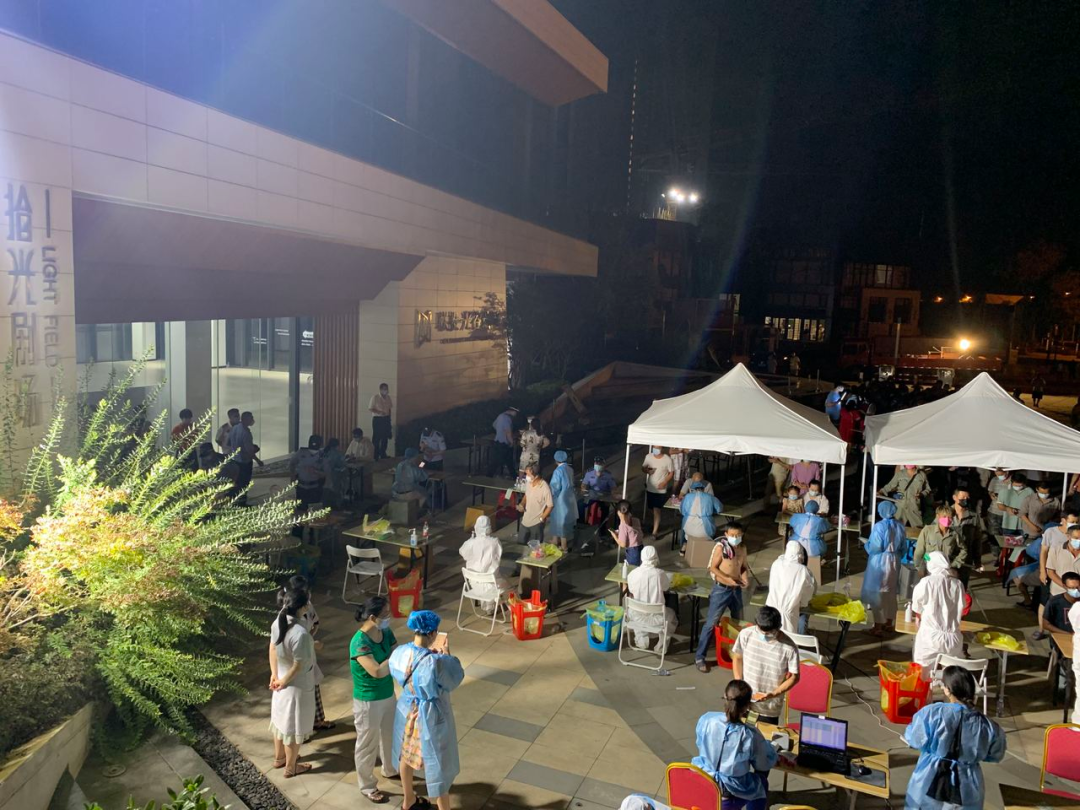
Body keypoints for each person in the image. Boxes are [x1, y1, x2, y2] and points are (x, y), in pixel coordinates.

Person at [389, 610, 465, 810]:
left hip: (407, 710)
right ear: (432, 633)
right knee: (438, 765)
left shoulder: (400, 652)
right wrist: (446, 656)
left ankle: (408, 799)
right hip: (429, 716)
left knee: (406, 755)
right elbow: (454, 677)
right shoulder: (436, 662)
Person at [903, 666, 1006, 810]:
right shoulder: (988, 725)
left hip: (928, 777)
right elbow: (995, 754)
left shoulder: (932, 713)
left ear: (947, 689)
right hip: (967, 784)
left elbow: (915, 738)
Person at [690, 679, 778, 810]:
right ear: (748, 706)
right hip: (729, 792)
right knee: (761, 782)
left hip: (703, 780)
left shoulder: (707, 720)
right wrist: (772, 748)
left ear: (724, 696)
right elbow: (763, 764)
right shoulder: (750, 734)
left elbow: (700, 743)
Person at [351, 596, 398, 803]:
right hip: (367, 701)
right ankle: (367, 785)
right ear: (372, 617)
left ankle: (390, 768)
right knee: (367, 743)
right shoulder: (359, 642)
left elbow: (396, 651)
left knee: (390, 734)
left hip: (388, 694)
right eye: (385, 614)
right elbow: (376, 671)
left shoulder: (385, 632)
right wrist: (394, 659)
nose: (389, 617)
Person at [269, 585, 316, 778]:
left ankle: (279, 758)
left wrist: (275, 675)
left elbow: (272, 648)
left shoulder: (278, 622)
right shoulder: (300, 633)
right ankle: (291, 767)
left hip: (280, 680)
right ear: (303, 607)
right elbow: (299, 664)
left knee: (280, 722)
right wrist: (283, 681)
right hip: (296, 686)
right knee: (293, 727)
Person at [695, 523, 751, 672]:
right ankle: (700, 657)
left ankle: (737, 654)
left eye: (738, 535)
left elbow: (743, 567)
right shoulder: (721, 548)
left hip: (736, 589)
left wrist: (745, 578)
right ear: (726, 535)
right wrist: (727, 580)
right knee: (711, 623)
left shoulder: (742, 548)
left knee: (738, 622)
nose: (735, 538)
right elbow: (712, 568)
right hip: (722, 589)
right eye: (732, 535)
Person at [731, 607, 800, 724]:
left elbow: (794, 677)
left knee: (764, 734)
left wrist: (773, 694)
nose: (764, 635)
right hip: (744, 701)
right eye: (760, 630)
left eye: (768, 633)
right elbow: (737, 658)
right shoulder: (746, 634)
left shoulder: (789, 647)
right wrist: (739, 683)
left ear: (778, 627)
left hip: (769, 708)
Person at [910, 551, 966, 674]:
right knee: (951, 676)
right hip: (953, 638)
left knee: (922, 673)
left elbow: (917, 607)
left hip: (930, 636)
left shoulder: (926, 582)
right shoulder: (958, 584)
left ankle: (927, 686)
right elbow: (963, 606)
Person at [861, 500, 906, 635]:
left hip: (880, 560)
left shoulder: (879, 526)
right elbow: (903, 547)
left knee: (877, 592)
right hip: (894, 560)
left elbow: (875, 546)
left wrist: (867, 545)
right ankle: (889, 622)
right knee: (891, 593)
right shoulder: (900, 526)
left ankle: (878, 626)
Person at [626, 545, 677, 650]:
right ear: (655, 557)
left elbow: (631, 590)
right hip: (657, 618)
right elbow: (666, 587)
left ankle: (642, 640)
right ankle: (661, 647)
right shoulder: (659, 574)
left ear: (642, 557)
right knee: (672, 615)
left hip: (637, 616)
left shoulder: (633, 574)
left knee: (637, 610)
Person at [459, 514, 508, 611]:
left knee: (495, 581)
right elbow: (497, 558)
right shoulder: (495, 542)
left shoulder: (470, 543)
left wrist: (471, 541)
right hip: (491, 582)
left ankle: (488, 605)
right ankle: (493, 606)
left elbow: (462, 552)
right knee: (509, 587)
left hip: (473, 583)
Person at [766, 540, 816, 635]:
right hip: (789, 612)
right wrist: (803, 603)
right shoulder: (803, 570)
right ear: (800, 555)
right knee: (786, 638)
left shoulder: (776, 563)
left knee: (769, 635)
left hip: (771, 608)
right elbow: (808, 592)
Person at [913, 505, 967, 577]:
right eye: (944, 517)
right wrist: (919, 567)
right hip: (928, 568)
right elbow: (919, 552)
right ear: (938, 516)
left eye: (950, 517)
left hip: (944, 570)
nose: (947, 520)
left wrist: (955, 564)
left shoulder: (954, 535)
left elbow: (964, 550)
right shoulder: (928, 530)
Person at [878, 464, 931, 528]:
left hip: (914, 505)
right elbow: (890, 485)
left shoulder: (922, 475)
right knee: (896, 527)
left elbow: (928, 489)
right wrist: (881, 491)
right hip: (900, 505)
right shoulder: (900, 474)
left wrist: (922, 494)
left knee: (918, 528)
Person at [788, 500, 828, 584]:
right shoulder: (820, 520)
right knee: (823, 546)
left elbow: (791, 523)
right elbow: (826, 528)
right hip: (814, 549)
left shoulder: (797, 516)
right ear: (817, 509)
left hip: (796, 545)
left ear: (805, 507)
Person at [680, 480, 723, 554]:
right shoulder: (710, 497)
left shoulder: (687, 497)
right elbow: (719, 509)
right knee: (712, 531)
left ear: (692, 489)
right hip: (705, 532)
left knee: (687, 532)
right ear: (704, 489)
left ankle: (685, 545)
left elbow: (682, 510)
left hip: (688, 531)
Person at [228, 411, 261, 504]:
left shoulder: (235, 428)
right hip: (244, 462)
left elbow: (228, 442)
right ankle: (242, 503)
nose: (253, 420)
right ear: (245, 419)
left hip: (235, 460)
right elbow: (249, 451)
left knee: (236, 482)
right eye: (251, 418)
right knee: (244, 483)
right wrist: (258, 460)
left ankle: (232, 501)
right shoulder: (246, 433)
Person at [548, 449, 577, 553]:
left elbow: (555, 487)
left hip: (560, 499)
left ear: (556, 460)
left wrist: (549, 495)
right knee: (561, 520)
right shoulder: (570, 469)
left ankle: (564, 546)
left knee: (561, 521)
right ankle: (555, 539)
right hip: (570, 497)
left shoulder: (558, 471)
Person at [516, 463, 552, 546]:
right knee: (520, 545)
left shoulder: (544, 487)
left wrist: (541, 518)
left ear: (536, 475)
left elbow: (550, 506)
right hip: (525, 521)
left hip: (536, 524)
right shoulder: (529, 483)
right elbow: (526, 495)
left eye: (528, 474)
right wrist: (522, 504)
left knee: (535, 548)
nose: (526, 476)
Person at [642, 447, 674, 536]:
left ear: (661, 449)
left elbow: (671, 472)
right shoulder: (648, 457)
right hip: (650, 488)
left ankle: (654, 532)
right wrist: (648, 471)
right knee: (652, 508)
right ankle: (656, 523)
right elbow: (643, 468)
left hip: (660, 490)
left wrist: (664, 482)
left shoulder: (667, 459)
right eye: (654, 447)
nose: (655, 449)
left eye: (657, 448)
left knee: (657, 509)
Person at [290, 435, 326, 509]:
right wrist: (292, 477)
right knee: (301, 510)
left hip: (314, 488)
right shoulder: (301, 452)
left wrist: (315, 471)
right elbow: (292, 464)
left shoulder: (322, 455)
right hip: (301, 487)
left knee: (314, 510)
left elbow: (326, 473)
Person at [581, 457, 617, 526]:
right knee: (580, 504)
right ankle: (581, 523)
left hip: (604, 497)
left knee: (605, 508)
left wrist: (613, 494)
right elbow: (584, 484)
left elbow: (613, 487)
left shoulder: (608, 475)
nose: (598, 465)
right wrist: (583, 490)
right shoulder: (589, 473)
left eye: (600, 464)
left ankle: (602, 528)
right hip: (592, 495)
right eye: (596, 463)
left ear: (604, 465)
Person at [1042, 571, 1080, 635]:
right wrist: (1068, 634)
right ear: (1064, 586)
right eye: (1072, 588)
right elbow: (1046, 624)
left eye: (1078, 587)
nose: (1076, 590)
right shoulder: (1054, 602)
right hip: (1061, 638)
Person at [609, 499, 644, 565]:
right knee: (640, 567)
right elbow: (632, 533)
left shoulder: (623, 526)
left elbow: (623, 544)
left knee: (632, 569)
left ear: (618, 512)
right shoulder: (636, 520)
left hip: (632, 551)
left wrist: (615, 536)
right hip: (640, 547)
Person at [488, 405, 518, 478]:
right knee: (508, 463)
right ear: (512, 411)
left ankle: (488, 477)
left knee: (496, 462)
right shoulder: (507, 418)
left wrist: (500, 430)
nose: (516, 414)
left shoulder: (500, 416)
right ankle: (514, 477)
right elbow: (508, 432)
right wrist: (511, 442)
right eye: (516, 412)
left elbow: (494, 425)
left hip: (497, 442)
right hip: (504, 444)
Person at [369, 383, 393, 461]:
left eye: (387, 389)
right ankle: (375, 455)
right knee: (377, 437)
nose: (386, 391)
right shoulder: (375, 397)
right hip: (378, 419)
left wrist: (389, 418)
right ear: (381, 389)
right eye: (384, 389)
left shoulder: (388, 397)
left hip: (386, 419)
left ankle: (383, 454)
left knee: (385, 437)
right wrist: (379, 412)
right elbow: (371, 408)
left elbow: (389, 408)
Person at [985, 467, 1012, 537]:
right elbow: (990, 490)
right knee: (993, 535)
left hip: (1006, 513)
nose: (999, 476)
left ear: (1007, 472)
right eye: (997, 475)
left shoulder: (1012, 481)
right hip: (993, 511)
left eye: (1000, 475)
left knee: (1005, 535)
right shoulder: (994, 479)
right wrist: (991, 494)